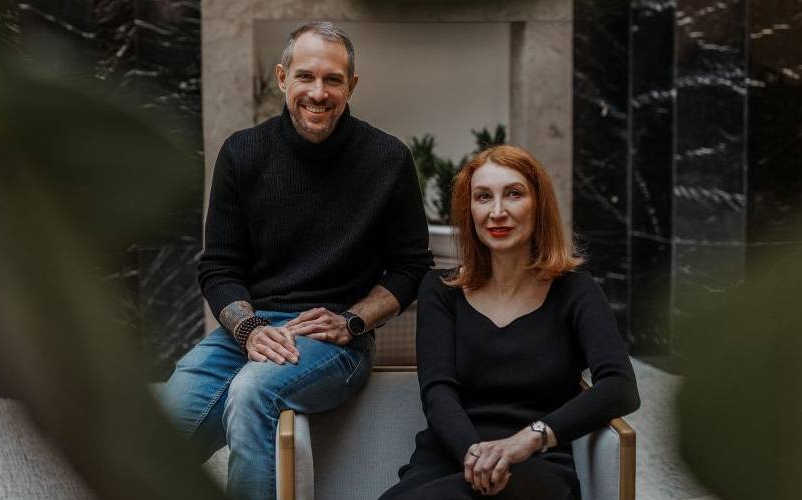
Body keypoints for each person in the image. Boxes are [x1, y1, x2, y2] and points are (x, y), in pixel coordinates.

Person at [160, 21, 433, 500]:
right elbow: (219, 267)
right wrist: (249, 330)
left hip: (335, 339)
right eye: (306, 76)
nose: (318, 92)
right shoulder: (242, 153)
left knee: (252, 393)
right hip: (250, 329)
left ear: (351, 86)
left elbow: (411, 266)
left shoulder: (387, 158)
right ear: (283, 78)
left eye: (333, 79)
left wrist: (352, 321)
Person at [379, 145, 640, 499]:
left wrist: (527, 440)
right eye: (483, 197)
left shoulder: (575, 290)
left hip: (536, 464)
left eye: (514, 194)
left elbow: (620, 386)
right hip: (451, 456)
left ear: (539, 205)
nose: (497, 212)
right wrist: (476, 456)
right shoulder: (440, 290)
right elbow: (438, 393)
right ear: (469, 210)